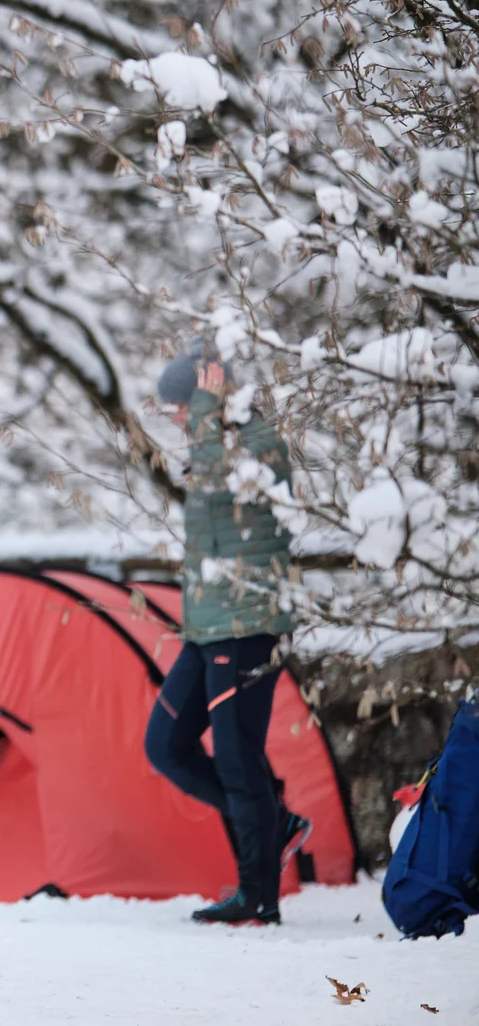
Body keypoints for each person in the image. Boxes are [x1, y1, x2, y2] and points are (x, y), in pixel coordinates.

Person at [143, 341, 312, 925]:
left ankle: (258, 897)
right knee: (164, 745)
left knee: (238, 761)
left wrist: (209, 408)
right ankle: (276, 821)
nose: (178, 419)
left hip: (246, 626)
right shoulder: (213, 440)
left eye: (181, 406)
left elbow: (221, 483)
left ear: (209, 394)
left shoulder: (255, 443)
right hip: (209, 627)